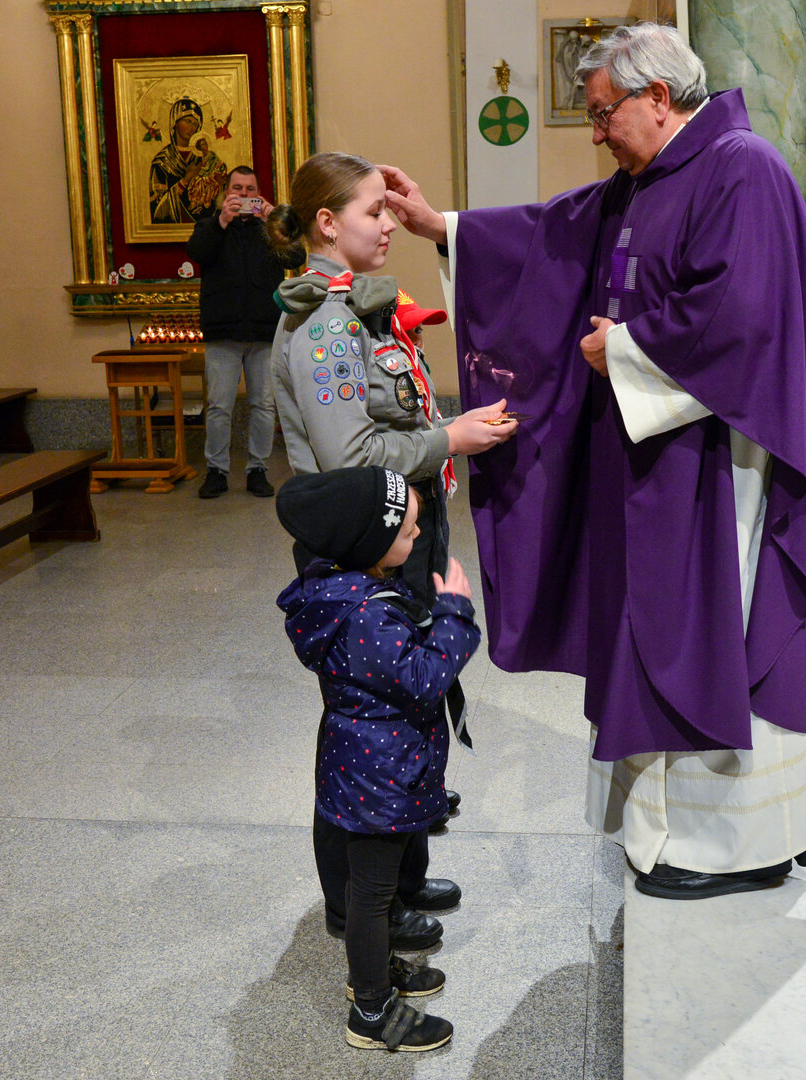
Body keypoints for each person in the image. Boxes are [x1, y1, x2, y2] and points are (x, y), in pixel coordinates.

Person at [383, 24, 806, 900]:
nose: (596, 132)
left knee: (711, 628)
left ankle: (733, 845)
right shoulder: (652, 177)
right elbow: (555, 236)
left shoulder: (742, 170)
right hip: (661, 457)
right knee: (656, 625)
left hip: (721, 462)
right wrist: (443, 227)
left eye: (604, 113)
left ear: (658, 97)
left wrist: (628, 349)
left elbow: (741, 317)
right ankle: (676, 829)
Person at [264, 151, 517, 948]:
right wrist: (453, 438)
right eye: (372, 211)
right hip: (362, 550)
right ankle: (355, 902)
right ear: (325, 223)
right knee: (365, 728)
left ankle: (400, 878)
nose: (387, 225)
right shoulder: (324, 324)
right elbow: (350, 459)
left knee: (408, 715)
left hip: (398, 531)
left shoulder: (359, 307)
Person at [275, 466, 479, 1052]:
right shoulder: (365, 615)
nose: (417, 536)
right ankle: (370, 1010)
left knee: (374, 891)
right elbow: (424, 678)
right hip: (379, 776)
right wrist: (454, 615)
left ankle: (374, 972)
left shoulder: (349, 593)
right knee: (371, 896)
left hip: (368, 764)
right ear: (370, 544)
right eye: (408, 530)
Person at [186, 166, 300, 498]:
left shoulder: (271, 228)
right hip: (223, 330)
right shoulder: (210, 224)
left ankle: (258, 470)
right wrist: (222, 220)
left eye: (251, 189)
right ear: (226, 192)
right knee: (219, 406)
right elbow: (196, 252)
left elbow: (296, 256)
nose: (244, 194)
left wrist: (274, 224)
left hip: (264, 331)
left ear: (259, 194)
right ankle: (216, 471)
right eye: (238, 188)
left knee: (263, 406)